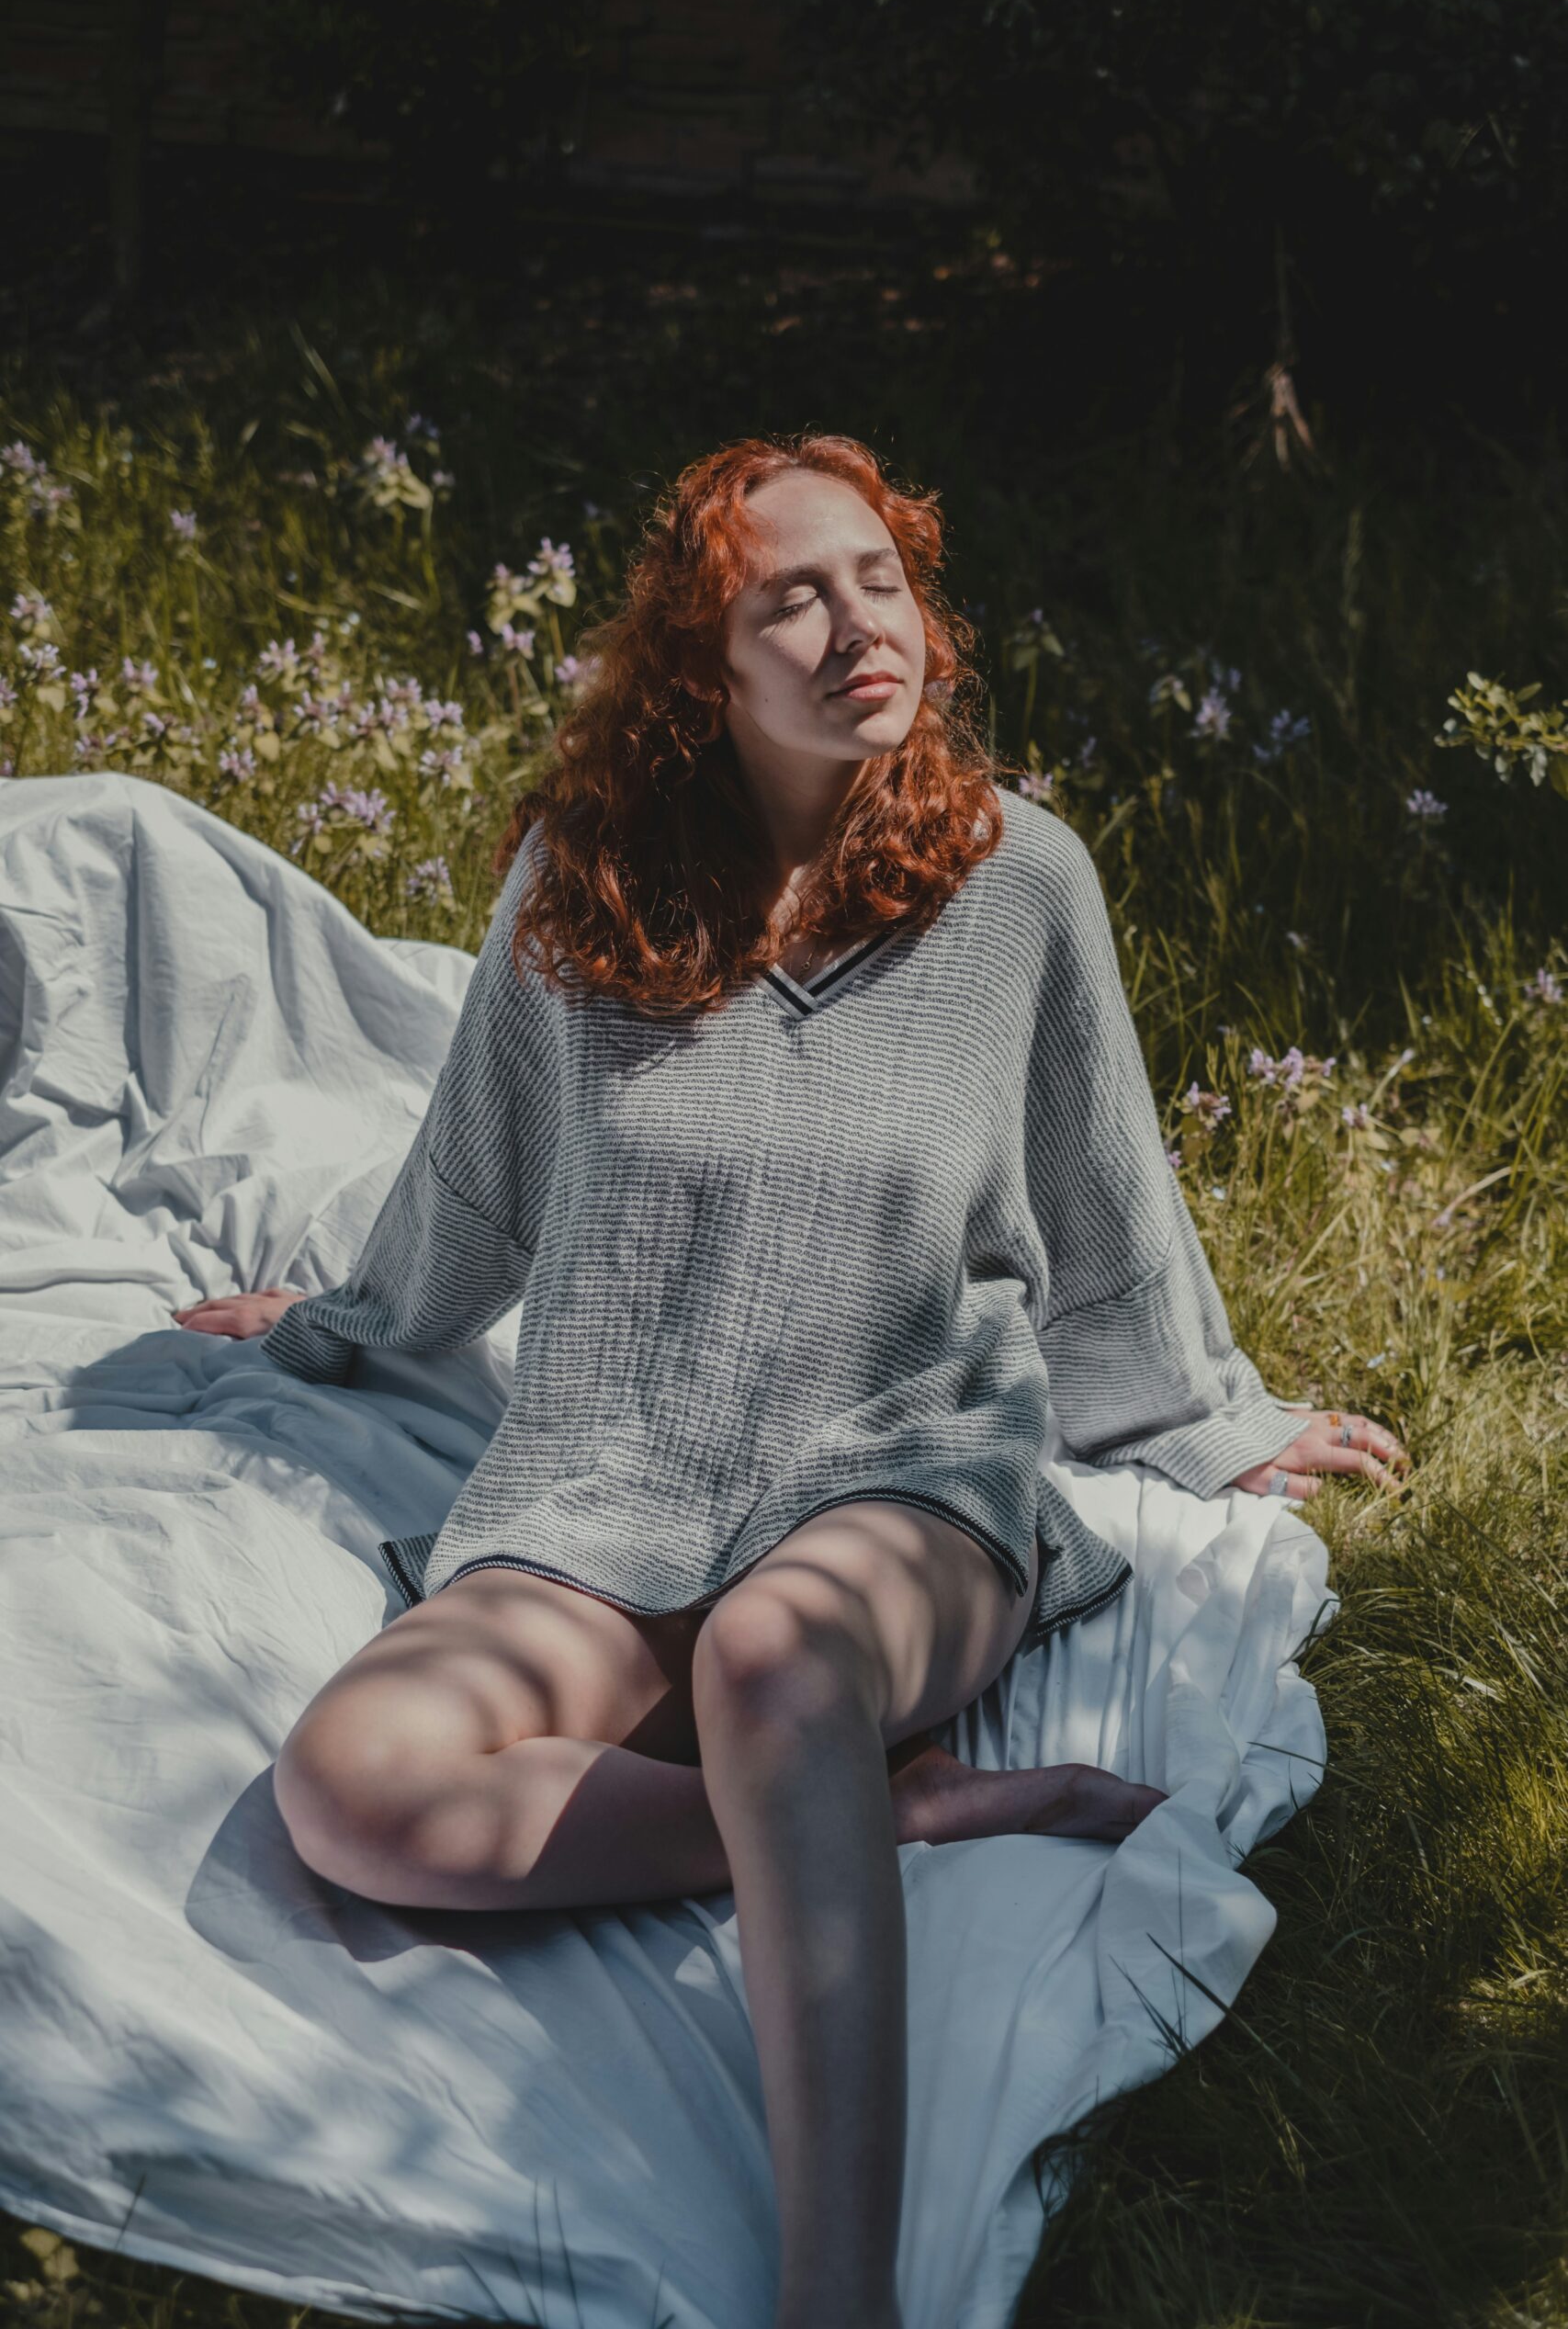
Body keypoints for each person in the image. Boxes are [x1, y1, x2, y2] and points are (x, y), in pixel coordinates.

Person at [175, 433, 1410, 2329]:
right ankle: (864, 1804)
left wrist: (1216, 1421)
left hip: (910, 1478)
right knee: (350, 1787)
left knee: (771, 1655)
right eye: (791, 598)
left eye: (880, 580)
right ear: (702, 663)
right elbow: (472, 1186)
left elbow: (1106, 1205)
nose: (858, 628)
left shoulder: (1019, 884)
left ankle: (836, 2288)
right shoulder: (577, 896)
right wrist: (338, 1322)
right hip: (607, 1471)